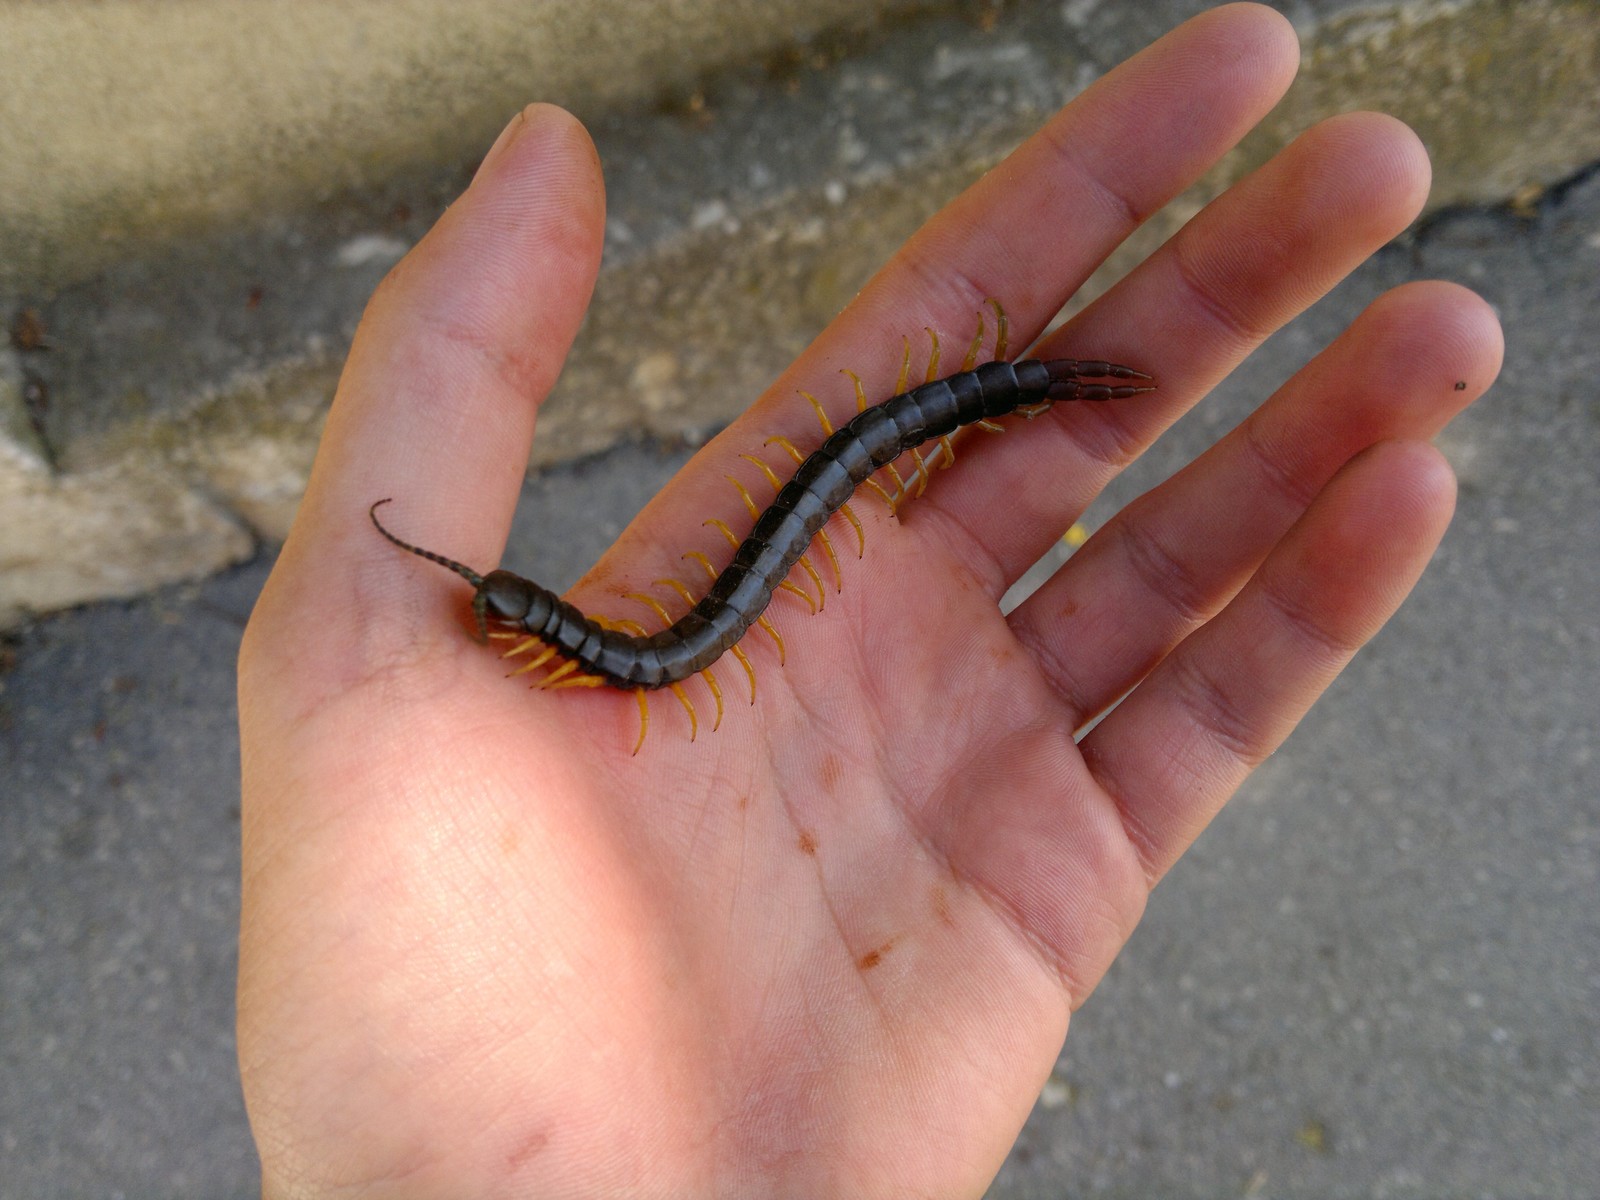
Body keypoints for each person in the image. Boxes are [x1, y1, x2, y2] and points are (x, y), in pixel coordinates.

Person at [235, 4, 1502, 1195]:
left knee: (872, 443)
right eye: (504, 615)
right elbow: (669, 650)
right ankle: (1017, 381)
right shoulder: (636, 666)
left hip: (883, 445)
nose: (493, 618)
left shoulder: (622, 661)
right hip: (714, 604)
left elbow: (784, 528)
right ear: (544, 642)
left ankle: (1021, 381)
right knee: (816, 502)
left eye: (501, 612)